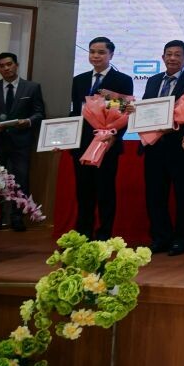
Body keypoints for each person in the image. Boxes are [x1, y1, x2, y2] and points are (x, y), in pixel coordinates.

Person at [141, 40, 184, 256]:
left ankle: (181, 239)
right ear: (162, 57)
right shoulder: (153, 81)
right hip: (154, 147)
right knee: (155, 195)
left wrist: (178, 129)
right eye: (169, 54)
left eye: (178, 55)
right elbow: (146, 109)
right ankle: (160, 237)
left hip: (180, 148)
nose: (172, 58)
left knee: (183, 196)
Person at [70, 36, 134, 239]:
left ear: (111, 55)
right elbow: (74, 113)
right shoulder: (78, 80)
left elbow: (125, 113)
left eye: (101, 52)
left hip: (107, 144)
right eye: (92, 52)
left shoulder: (123, 80)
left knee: (105, 191)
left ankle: (104, 233)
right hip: (81, 144)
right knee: (83, 191)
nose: (95, 56)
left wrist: (115, 136)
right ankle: (83, 233)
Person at [0, 53, 45, 232]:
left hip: (21, 142)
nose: (6, 68)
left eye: (9, 64)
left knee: (21, 181)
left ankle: (17, 218)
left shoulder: (32, 87)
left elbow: (39, 113)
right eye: (2, 66)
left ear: (16, 65)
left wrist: (27, 121)